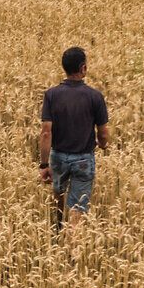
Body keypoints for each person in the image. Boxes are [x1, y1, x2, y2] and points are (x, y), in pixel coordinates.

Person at [39, 46, 110, 232]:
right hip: (84, 160)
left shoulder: (51, 95)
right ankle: (72, 254)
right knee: (77, 210)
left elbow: (46, 132)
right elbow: (103, 133)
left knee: (58, 194)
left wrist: (44, 165)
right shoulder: (95, 97)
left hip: (58, 157)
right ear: (83, 68)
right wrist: (103, 145)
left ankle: (57, 229)